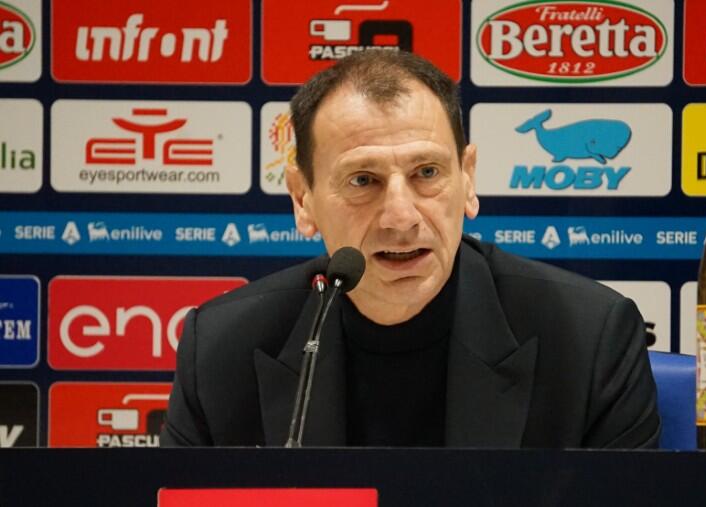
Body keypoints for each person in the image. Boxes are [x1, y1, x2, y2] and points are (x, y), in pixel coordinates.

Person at [160, 50, 660, 448]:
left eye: (427, 173)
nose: (401, 217)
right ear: (302, 198)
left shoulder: (588, 341)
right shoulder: (221, 352)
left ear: (467, 179)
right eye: (363, 180)